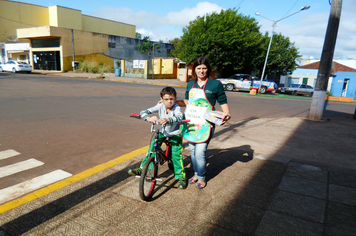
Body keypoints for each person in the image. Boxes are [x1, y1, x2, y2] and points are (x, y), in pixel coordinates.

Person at [177, 56, 231, 189]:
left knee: (200, 151)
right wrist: (170, 102)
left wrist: (227, 114)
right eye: (199, 68)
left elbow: (223, 102)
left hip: (206, 124)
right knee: (193, 150)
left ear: (208, 69)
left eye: (204, 68)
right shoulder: (190, 84)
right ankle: (196, 174)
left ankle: (201, 177)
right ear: (194, 70)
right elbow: (187, 102)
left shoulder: (215, 84)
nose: (201, 71)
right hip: (191, 122)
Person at [128, 87, 187, 189]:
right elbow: (144, 111)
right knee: (152, 147)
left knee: (176, 154)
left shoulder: (176, 107)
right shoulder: (159, 106)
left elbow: (179, 117)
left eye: (171, 99)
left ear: (175, 99)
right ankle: (143, 168)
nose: (169, 101)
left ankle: (181, 177)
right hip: (163, 132)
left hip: (175, 133)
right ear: (162, 99)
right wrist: (148, 118)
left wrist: (168, 120)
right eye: (166, 99)